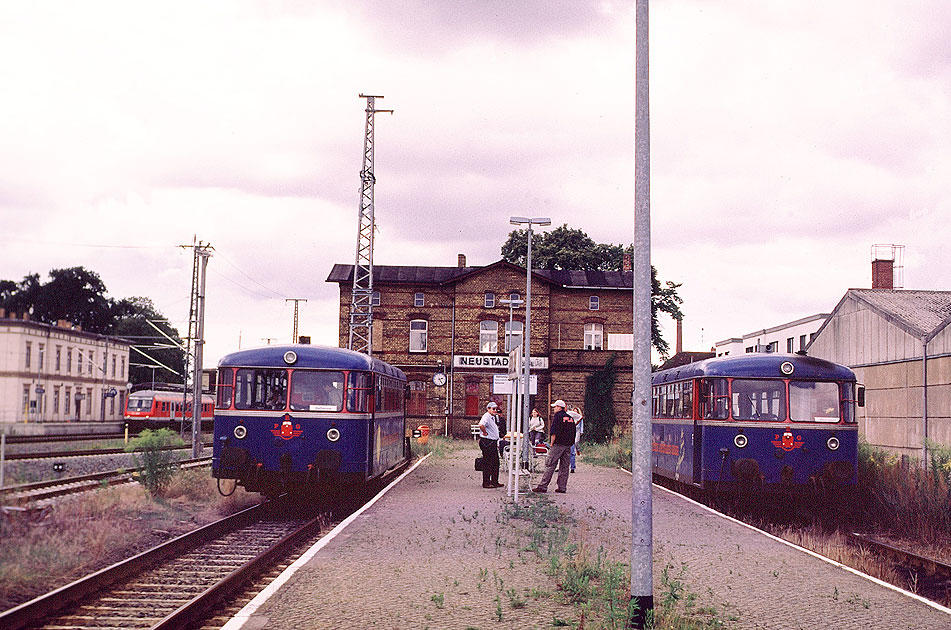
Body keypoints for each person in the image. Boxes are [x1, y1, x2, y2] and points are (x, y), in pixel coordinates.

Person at [532, 400, 576, 494]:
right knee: (564, 467)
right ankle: (562, 487)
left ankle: (543, 486)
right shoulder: (570, 418)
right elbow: (573, 431)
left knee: (550, 464)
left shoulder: (558, 417)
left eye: (555, 407)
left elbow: (554, 432)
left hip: (558, 444)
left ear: (559, 407)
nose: (554, 409)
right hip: (567, 445)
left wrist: (551, 443)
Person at [478, 402, 504, 489]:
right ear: (488, 409)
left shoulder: (493, 417)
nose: (495, 410)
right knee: (488, 463)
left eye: (496, 409)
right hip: (487, 442)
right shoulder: (486, 416)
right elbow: (481, 425)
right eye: (493, 409)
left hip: (492, 442)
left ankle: (494, 481)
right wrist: (485, 432)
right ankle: (486, 483)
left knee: (495, 463)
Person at [568, 406, 584, 472]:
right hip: (570, 433)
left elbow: (581, 422)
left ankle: (572, 467)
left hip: (577, 430)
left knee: (575, 442)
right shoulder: (570, 417)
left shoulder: (579, 417)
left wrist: (581, 431)